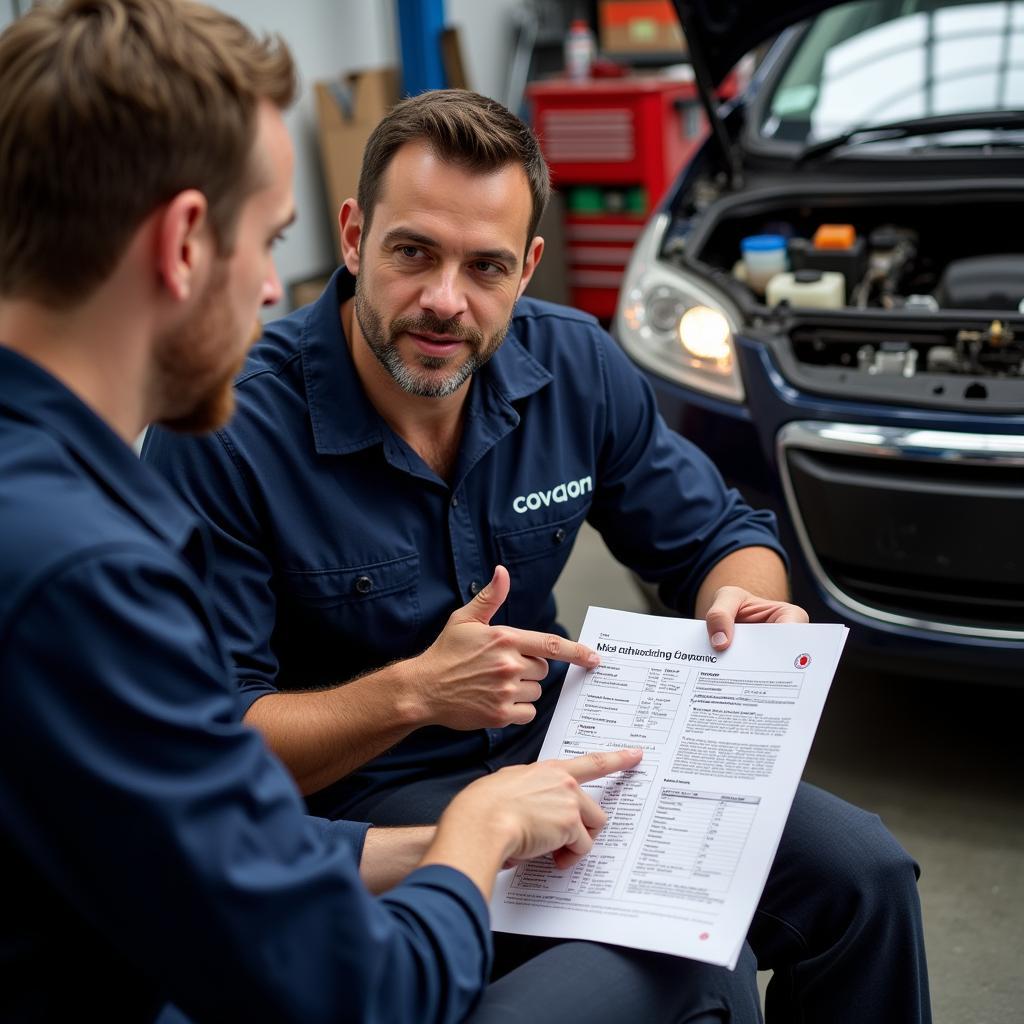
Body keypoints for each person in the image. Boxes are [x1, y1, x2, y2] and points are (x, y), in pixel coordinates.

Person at [0, 4, 743, 1022]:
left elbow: (210, 843)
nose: (272, 286)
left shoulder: (55, 504)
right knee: (696, 967)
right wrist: (471, 838)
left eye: (484, 265)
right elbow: (360, 988)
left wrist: (441, 843)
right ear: (182, 242)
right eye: (266, 241)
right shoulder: (86, 568)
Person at [143, 88, 932, 1022]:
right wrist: (415, 692)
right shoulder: (226, 431)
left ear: (528, 269)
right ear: (353, 238)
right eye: (413, 253)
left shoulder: (577, 366)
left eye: (484, 266)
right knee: (688, 966)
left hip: (569, 752)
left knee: (866, 879)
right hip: (367, 807)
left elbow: (724, 538)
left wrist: (743, 603)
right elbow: (207, 752)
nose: (445, 300)